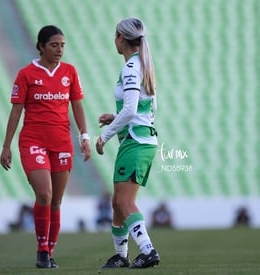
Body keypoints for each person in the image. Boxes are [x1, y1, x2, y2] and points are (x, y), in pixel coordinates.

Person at [0, 25, 91, 269]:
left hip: (61, 142)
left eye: (62, 45)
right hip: (33, 141)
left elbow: (78, 106)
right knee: (44, 194)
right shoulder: (26, 74)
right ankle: (41, 250)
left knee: (56, 202)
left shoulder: (70, 72)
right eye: (54, 45)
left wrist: (85, 137)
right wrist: (6, 146)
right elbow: (16, 111)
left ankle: (49, 252)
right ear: (41, 46)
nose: (59, 49)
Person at [96, 17, 160, 269]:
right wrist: (115, 117)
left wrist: (105, 135)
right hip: (142, 138)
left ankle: (147, 250)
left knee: (124, 202)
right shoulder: (143, 65)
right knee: (117, 202)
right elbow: (149, 107)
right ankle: (121, 255)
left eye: (115, 35)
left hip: (135, 141)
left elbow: (132, 110)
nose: (114, 40)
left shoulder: (132, 67)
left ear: (121, 38)